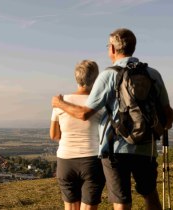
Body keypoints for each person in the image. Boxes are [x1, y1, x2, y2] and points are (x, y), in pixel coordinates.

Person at [51, 28, 173, 210]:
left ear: (113, 50)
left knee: (121, 200)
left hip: (116, 148)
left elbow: (84, 113)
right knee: (149, 193)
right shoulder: (153, 74)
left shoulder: (108, 75)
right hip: (146, 147)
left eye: (108, 46)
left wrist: (59, 103)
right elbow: (168, 115)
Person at [50, 60, 105, 210]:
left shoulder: (60, 102)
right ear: (95, 78)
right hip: (92, 161)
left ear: (76, 77)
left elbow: (54, 135)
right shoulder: (100, 103)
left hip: (66, 160)